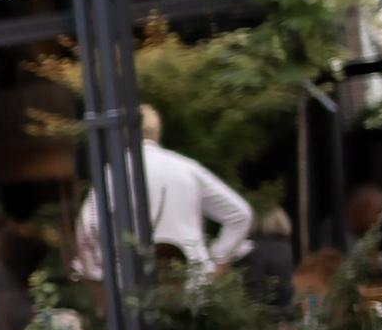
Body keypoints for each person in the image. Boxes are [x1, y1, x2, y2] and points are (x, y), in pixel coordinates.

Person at [71, 104, 253, 273]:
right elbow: (240, 214)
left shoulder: (116, 171)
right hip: (191, 277)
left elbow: (89, 225)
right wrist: (217, 261)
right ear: (158, 132)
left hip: (135, 279)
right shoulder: (187, 168)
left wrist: (100, 273)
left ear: (125, 134)